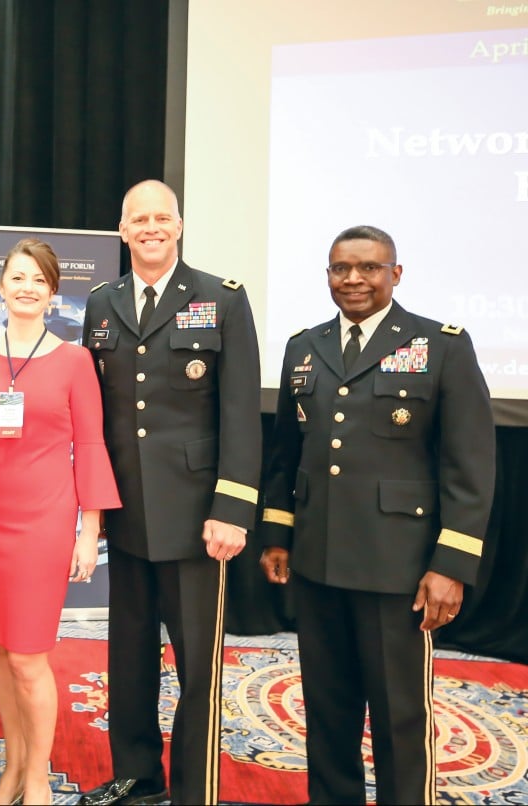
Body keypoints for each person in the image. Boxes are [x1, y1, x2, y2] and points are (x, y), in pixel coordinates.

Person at [258, 224, 496, 805]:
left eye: (369, 268)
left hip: (398, 569)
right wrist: (279, 534)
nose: (354, 279)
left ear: (396, 274)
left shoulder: (439, 345)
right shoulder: (304, 347)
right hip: (318, 562)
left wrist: (451, 565)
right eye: (341, 268)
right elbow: (286, 454)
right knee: (327, 709)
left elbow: (469, 465)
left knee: (399, 715)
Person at [78, 180, 262, 806]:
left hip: (196, 518)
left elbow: (240, 413)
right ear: (122, 230)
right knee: (128, 655)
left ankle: (193, 787)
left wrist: (231, 509)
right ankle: (136, 775)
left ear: (179, 226)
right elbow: (99, 414)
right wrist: (94, 506)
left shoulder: (221, 298)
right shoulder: (102, 303)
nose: (151, 228)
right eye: (139, 219)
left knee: (197, 665)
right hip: (127, 510)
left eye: (162, 217)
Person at [0, 238, 121, 806]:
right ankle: (12, 767)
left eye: (39, 280)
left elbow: (91, 445)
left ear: (53, 294)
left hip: (44, 524)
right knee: (0, 652)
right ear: (0, 287)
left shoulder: (75, 361)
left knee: (28, 655)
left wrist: (89, 530)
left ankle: (38, 778)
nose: (27, 288)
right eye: (18, 277)